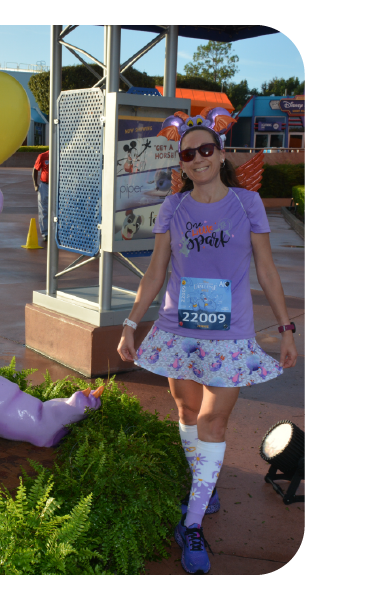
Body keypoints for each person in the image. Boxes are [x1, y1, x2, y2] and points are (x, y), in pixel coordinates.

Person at [115, 108, 297, 575]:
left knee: (215, 422)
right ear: (181, 163)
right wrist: (132, 324)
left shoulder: (246, 204)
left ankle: (192, 523)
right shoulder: (173, 208)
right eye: (187, 153)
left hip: (231, 336)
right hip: (178, 330)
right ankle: (205, 483)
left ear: (220, 154)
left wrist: (285, 328)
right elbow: (156, 271)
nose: (197, 158)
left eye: (205, 150)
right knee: (187, 413)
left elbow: (266, 269)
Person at [32, 149, 51, 241]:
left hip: (57, 186)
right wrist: (35, 184)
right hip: (45, 185)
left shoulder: (61, 155)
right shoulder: (43, 156)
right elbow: (35, 170)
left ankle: (57, 232)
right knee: (44, 209)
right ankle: (45, 233)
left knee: (58, 209)